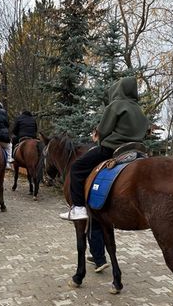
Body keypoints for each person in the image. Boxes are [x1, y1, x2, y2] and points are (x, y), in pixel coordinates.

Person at [59, 76, 148, 221]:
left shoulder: (116, 105)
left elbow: (104, 129)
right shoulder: (139, 110)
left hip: (113, 149)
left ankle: (79, 208)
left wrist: (97, 135)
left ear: (119, 89)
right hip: (136, 150)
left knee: (77, 167)